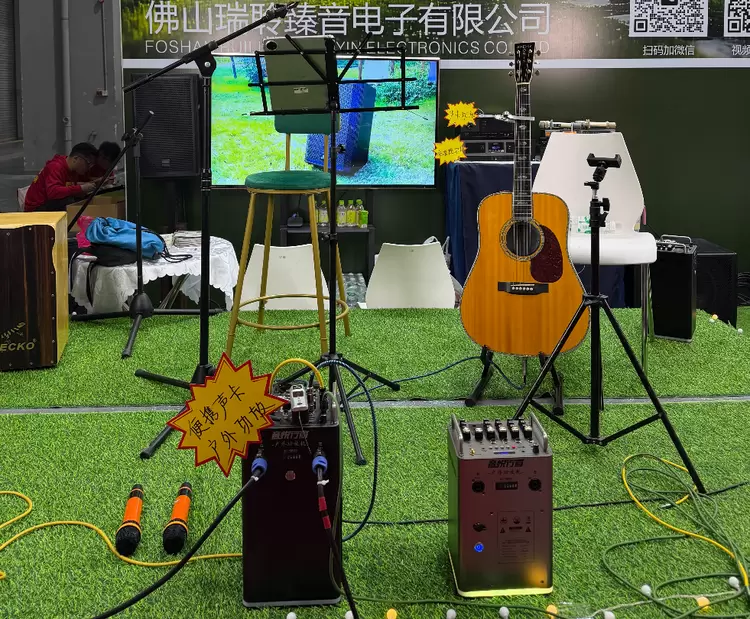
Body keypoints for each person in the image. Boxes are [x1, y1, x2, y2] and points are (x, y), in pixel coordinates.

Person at [24, 143, 100, 213]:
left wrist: (91, 184)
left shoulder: (73, 170)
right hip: (36, 208)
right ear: (76, 158)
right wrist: (81, 188)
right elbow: (53, 192)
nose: (89, 168)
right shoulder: (55, 167)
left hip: (49, 202)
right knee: (70, 202)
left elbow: (68, 185)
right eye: (88, 163)